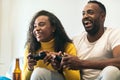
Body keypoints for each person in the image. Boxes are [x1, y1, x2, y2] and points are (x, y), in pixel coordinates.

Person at [61, 0, 120, 80]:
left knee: (112, 71)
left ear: (102, 16)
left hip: (104, 77)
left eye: (90, 12)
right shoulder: (76, 40)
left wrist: (82, 63)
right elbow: (69, 65)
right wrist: (59, 63)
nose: (85, 16)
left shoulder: (114, 34)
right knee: (41, 72)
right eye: (83, 13)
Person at [22, 10, 81, 80]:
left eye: (41, 24)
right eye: (35, 26)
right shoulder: (30, 48)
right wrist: (30, 68)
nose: (36, 29)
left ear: (53, 28)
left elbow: (76, 79)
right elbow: (24, 79)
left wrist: (62, 62)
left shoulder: (68, 46)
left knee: (39, 72)